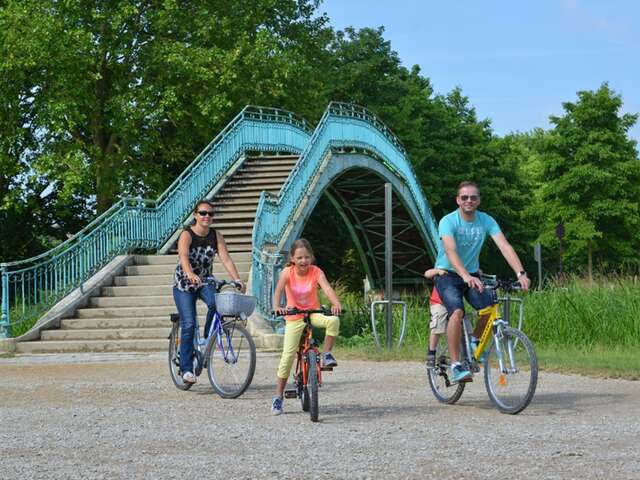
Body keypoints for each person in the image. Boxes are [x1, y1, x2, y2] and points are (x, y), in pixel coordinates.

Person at [433, 181, 531, 383]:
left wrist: (521, 273)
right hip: (448, 275)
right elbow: (450, 251)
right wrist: (465, 276)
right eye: (465, 197)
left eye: (473, 197)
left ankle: (474, 342)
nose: (469, 201)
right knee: (457, 312)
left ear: (479, 200)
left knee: (490, 306)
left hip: (471, 275)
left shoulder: (486, 220)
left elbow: (504, 246)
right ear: (458, 200)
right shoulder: (448, 221)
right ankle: (456, 365)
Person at [173, 199, 245, 385]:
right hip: (184, 284)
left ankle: (207, 338)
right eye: (203, 213)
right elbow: (183, 256)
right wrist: (189, 274)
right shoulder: (187, 234)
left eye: (210, 214)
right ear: (195, 215)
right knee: (188, 324)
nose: (207, 217)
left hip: (205, 281)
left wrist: (237, 279)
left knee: (216, 304)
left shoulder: (216, 236)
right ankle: (187, 369)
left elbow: (226, 259)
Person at [271, 238, 342, 415]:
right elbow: (278, 290)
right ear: (293, 259)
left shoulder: (316, 271)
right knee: (287, 357)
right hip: (294, 316)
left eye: (307, 257)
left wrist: (336, 304)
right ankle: (278, 397)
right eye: (299, 258)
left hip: (313, 312)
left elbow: (326, 288)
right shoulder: (288, 272)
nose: (303, 261)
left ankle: (326, 354)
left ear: (311, 257)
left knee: (333, 320)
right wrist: (277, 307)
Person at [424, 268, 448, 369]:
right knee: (437, 325)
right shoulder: (443, 264)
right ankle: (431, 352)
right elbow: (427, 273)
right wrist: (438, 271)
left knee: (463, 327)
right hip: (439, 303)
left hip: (454, 304)